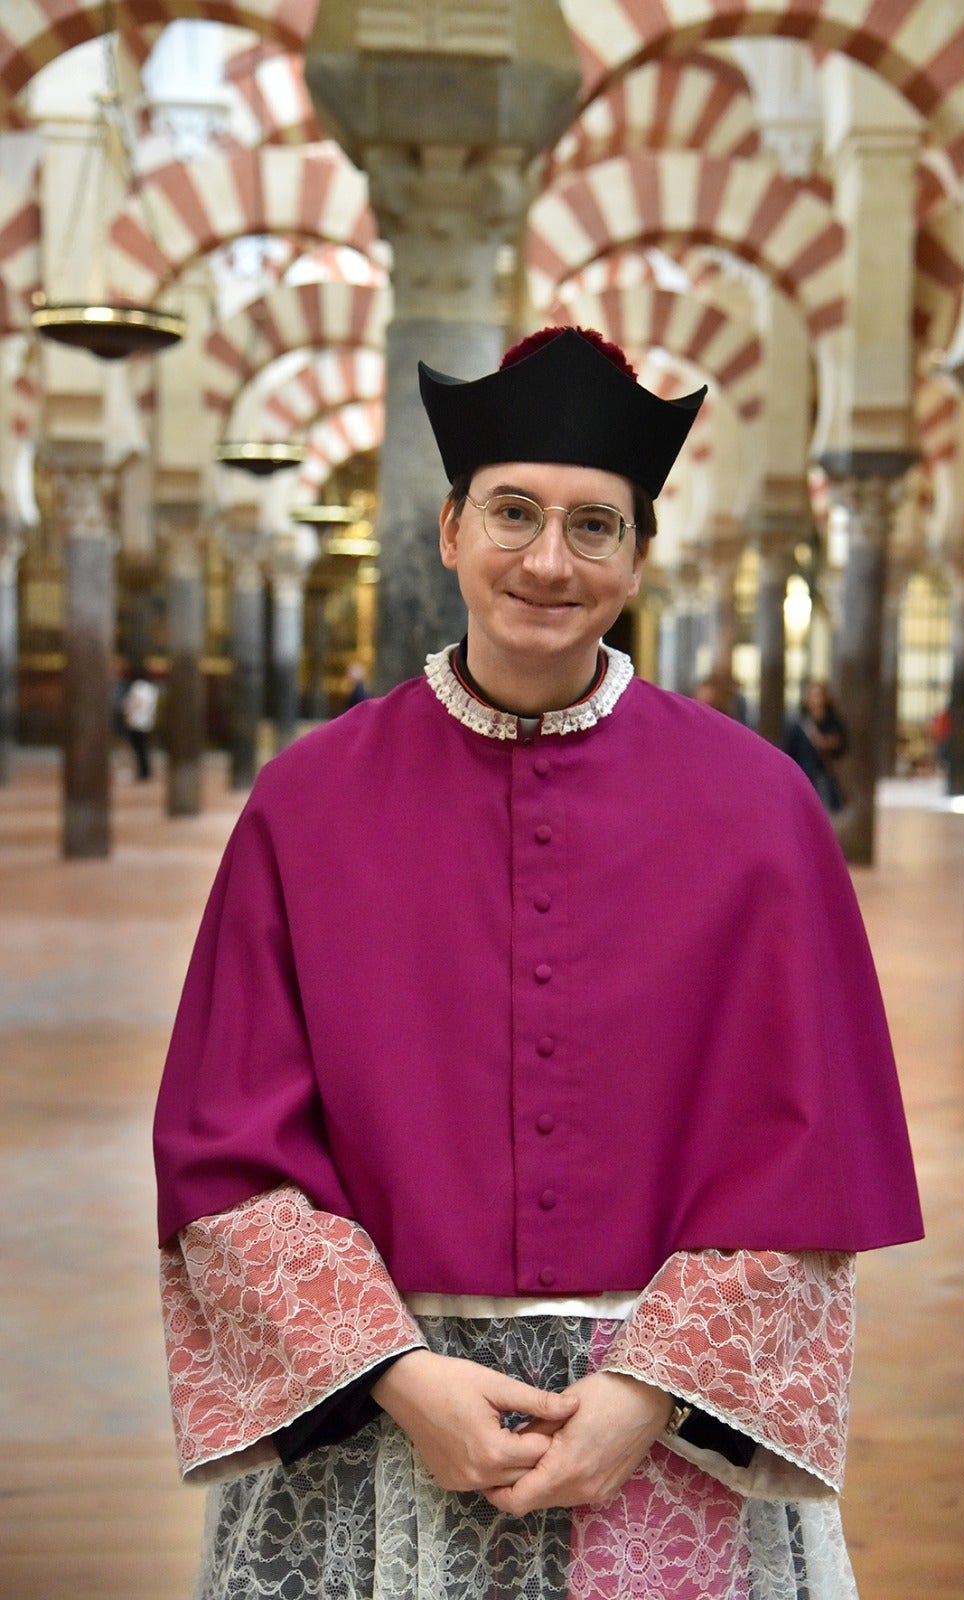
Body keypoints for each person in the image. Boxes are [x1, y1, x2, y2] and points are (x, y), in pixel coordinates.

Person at [153, 326, 922, 1600]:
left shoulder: (760, 809)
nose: (547, 562)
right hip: (389, 1427)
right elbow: (226, 1159)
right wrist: (402, 1379)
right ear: (449, 530)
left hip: (667, 1430)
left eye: (593, 526)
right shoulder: (307, 804)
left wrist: (642, 1396)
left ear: (638, 557)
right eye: (511, 514)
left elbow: (810, 1168)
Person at [785, 680, 849, 814]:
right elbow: (789, 750)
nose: (816, 700)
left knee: (828, 814)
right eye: (813, 695)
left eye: (819, 695)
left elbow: (843, 747)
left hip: (826, 776)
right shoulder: (798, 724)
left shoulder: (833, 723)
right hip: (805, 776)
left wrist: (831, 743)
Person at [119, 664, 159, 781]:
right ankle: (145, 771)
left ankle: (142, 772)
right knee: (143, 748)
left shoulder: (138, 686)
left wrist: (127, 712)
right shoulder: (151, 688)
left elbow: (136, 702)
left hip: (136, 721)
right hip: (147, 722)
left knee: (138, 748)